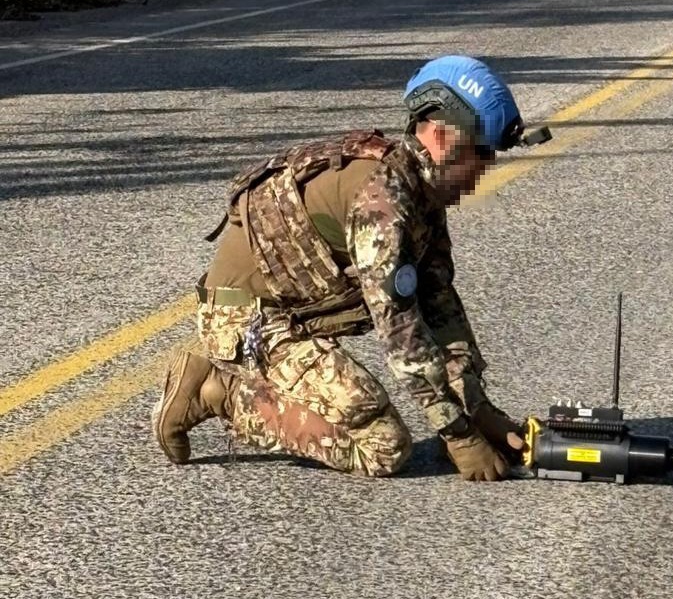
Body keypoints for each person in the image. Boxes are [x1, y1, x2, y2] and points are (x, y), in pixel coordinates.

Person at [150, 54, 548, 481]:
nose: (483, 171)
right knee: (384, 446)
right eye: (479, 153)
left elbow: (439, 305)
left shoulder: (421, 192)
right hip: (248, 320)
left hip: (298, 311)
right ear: (438, 136)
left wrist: (477, 410)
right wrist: (458, 435)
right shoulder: (383, 203)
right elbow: (400, 331)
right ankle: (218, 390)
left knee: (386, 401)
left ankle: (235, 378)